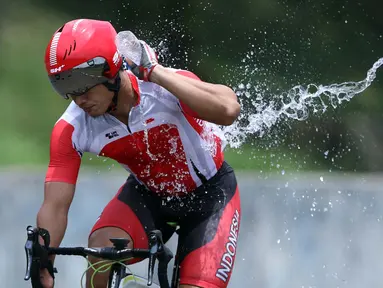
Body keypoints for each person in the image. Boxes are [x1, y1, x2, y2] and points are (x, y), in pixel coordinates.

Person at [37, 18, 241, 288]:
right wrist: (43, 258)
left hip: (211, 196)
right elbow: (55, 205)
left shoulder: (162, 89)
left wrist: (155, 71)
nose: (78, 99)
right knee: (101, 253)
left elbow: (229, 109)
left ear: (109, 69)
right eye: (66, 88)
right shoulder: (71, 127)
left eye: (83, 85)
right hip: (149, 195)